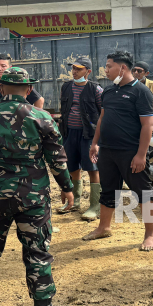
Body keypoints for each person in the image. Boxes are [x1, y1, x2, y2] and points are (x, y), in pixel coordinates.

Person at [0, 67, 75, 306]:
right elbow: (57, 160)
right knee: (36, 249)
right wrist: (67, 187)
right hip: (32, 197)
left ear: (1, 88)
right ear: (27, 89)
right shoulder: (42, 117)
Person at [83, 51, 153, 252]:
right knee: (108, 190)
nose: (105, 70)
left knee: (144, 192)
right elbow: (102, 119)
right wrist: (95, 143)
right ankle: (104, 227)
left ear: (122, 68)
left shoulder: (141, 92)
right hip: (107, 151)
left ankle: (150, 234)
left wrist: (141, 154)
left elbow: (147, 125)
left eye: (109, 66)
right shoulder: (108, 91)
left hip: (131, 152)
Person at [57, 57, 103, 221]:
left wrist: (97, 141)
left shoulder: (96, 90)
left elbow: (102, 114)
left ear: (88, 71)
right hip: (69, 133)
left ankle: (94, 206)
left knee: (92, 168)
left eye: (79, 69)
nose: (74, 71)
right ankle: (75, 201)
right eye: (73, 68)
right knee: (72, 167)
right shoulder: (66, 87)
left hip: (89, 136)